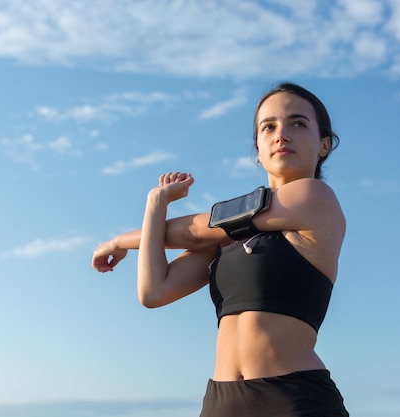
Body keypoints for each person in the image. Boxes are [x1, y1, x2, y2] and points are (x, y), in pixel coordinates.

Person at [92, 82, 349, 416]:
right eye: (268, 127)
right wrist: (155, 203)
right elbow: (154, 291)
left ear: (324, 145)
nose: (281, 134)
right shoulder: (231, 237)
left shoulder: (317, 199)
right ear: (257, 148)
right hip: (221, 403)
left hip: (294, 399)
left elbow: (201, 228)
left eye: (298, 123)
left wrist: (118, 241)